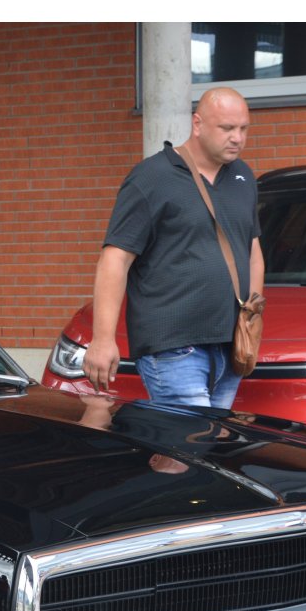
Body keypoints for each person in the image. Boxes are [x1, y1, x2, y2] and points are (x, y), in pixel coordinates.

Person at [83, 86, 265, 410]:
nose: (237, 137)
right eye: (226, 128)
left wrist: (251, 320)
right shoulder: (152, 177)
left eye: (243, 128)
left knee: (199, 452)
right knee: (188, 447)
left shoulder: (244, 178)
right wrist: (102, 339)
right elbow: (116, 259)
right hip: (173, 347)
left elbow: (252, 252)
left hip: (231, 345)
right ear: (197, 124)